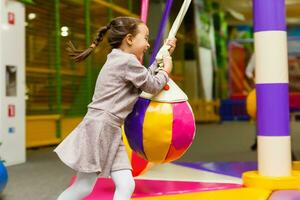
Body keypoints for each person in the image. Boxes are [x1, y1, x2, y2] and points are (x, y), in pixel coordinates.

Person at [54, 16, 177, 200]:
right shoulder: (126, 61)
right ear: (129, 39)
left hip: (110, 129)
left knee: (126, 184)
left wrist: (165, 53)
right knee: (83, 186)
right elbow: (151, 84)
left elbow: (144, 76)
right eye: (145, 38)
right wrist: (166, 69)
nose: (148, 44)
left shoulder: (120, 59)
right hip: (100, 128)